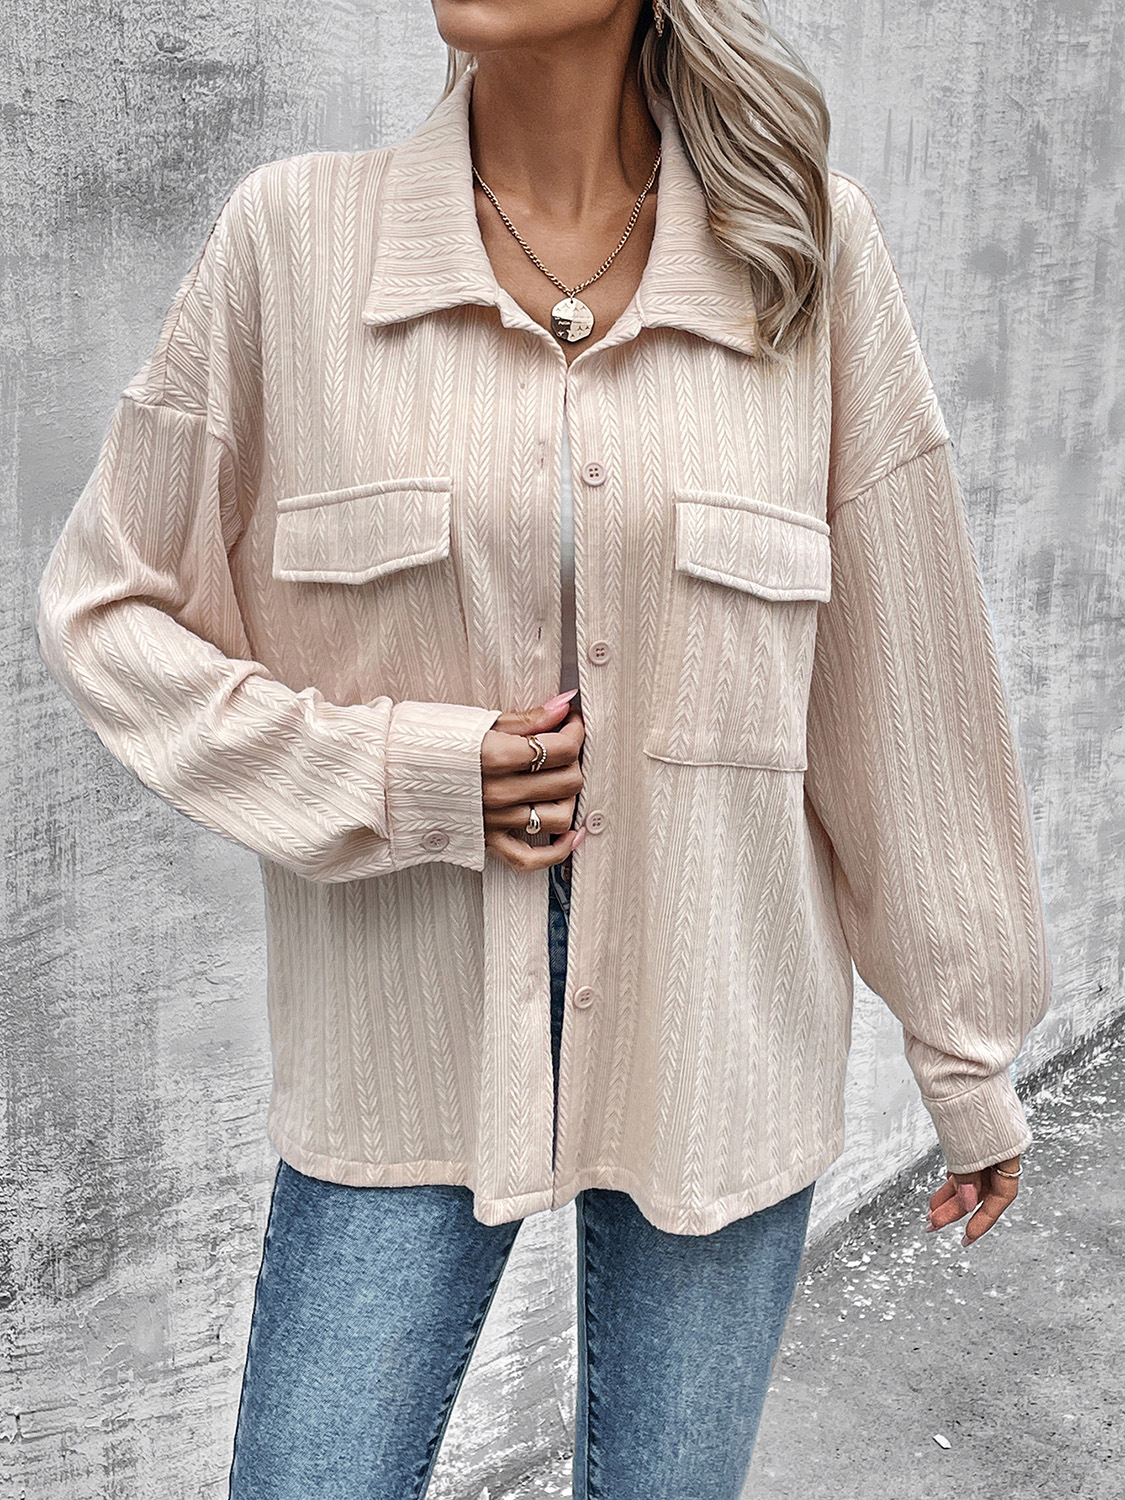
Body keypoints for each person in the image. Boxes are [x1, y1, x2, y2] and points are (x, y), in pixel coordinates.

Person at [35, 1, 1053, 1496]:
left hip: (720, 1041)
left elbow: (902, 685)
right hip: (401, 1044)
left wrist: (964, 1054)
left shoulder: (803, 254)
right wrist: (396, 775)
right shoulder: (293, 246)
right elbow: (109, 611)